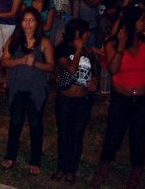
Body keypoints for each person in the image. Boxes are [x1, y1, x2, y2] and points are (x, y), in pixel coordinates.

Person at [90, 3, 145, 188]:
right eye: (143, 19)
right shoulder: (113, 42)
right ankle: (102, 171)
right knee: (113, 137)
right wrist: (121, 46)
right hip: (121, 100)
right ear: (132, 21)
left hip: (143, 101)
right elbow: (113, 69)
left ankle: (135, 175)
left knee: (138, 138)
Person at [0, 7, 55, 175]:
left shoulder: (44, 42)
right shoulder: (14, 40)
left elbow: (51, 67)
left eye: (31, 20)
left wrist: (36, 64)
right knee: (15, 122)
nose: (27, 23)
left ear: (37, 22)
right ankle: (10, 155)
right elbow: (4, 61)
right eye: (25, 20)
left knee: (35, 123)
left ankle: (35, 160)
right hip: (17, 88)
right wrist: (20, 61)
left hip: (36, 90)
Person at [51, 19, 98, 185]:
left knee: (77, 136)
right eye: (85, 31)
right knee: (64, 135)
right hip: (65, 100)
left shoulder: (89, 51)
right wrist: (78, 50)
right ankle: (61, 167)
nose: (89, 34)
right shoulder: (62, 49)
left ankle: (72, 170)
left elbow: (94, 72)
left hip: (83, 101)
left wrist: (94, 83)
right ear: (77, 33)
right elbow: (71, 70)